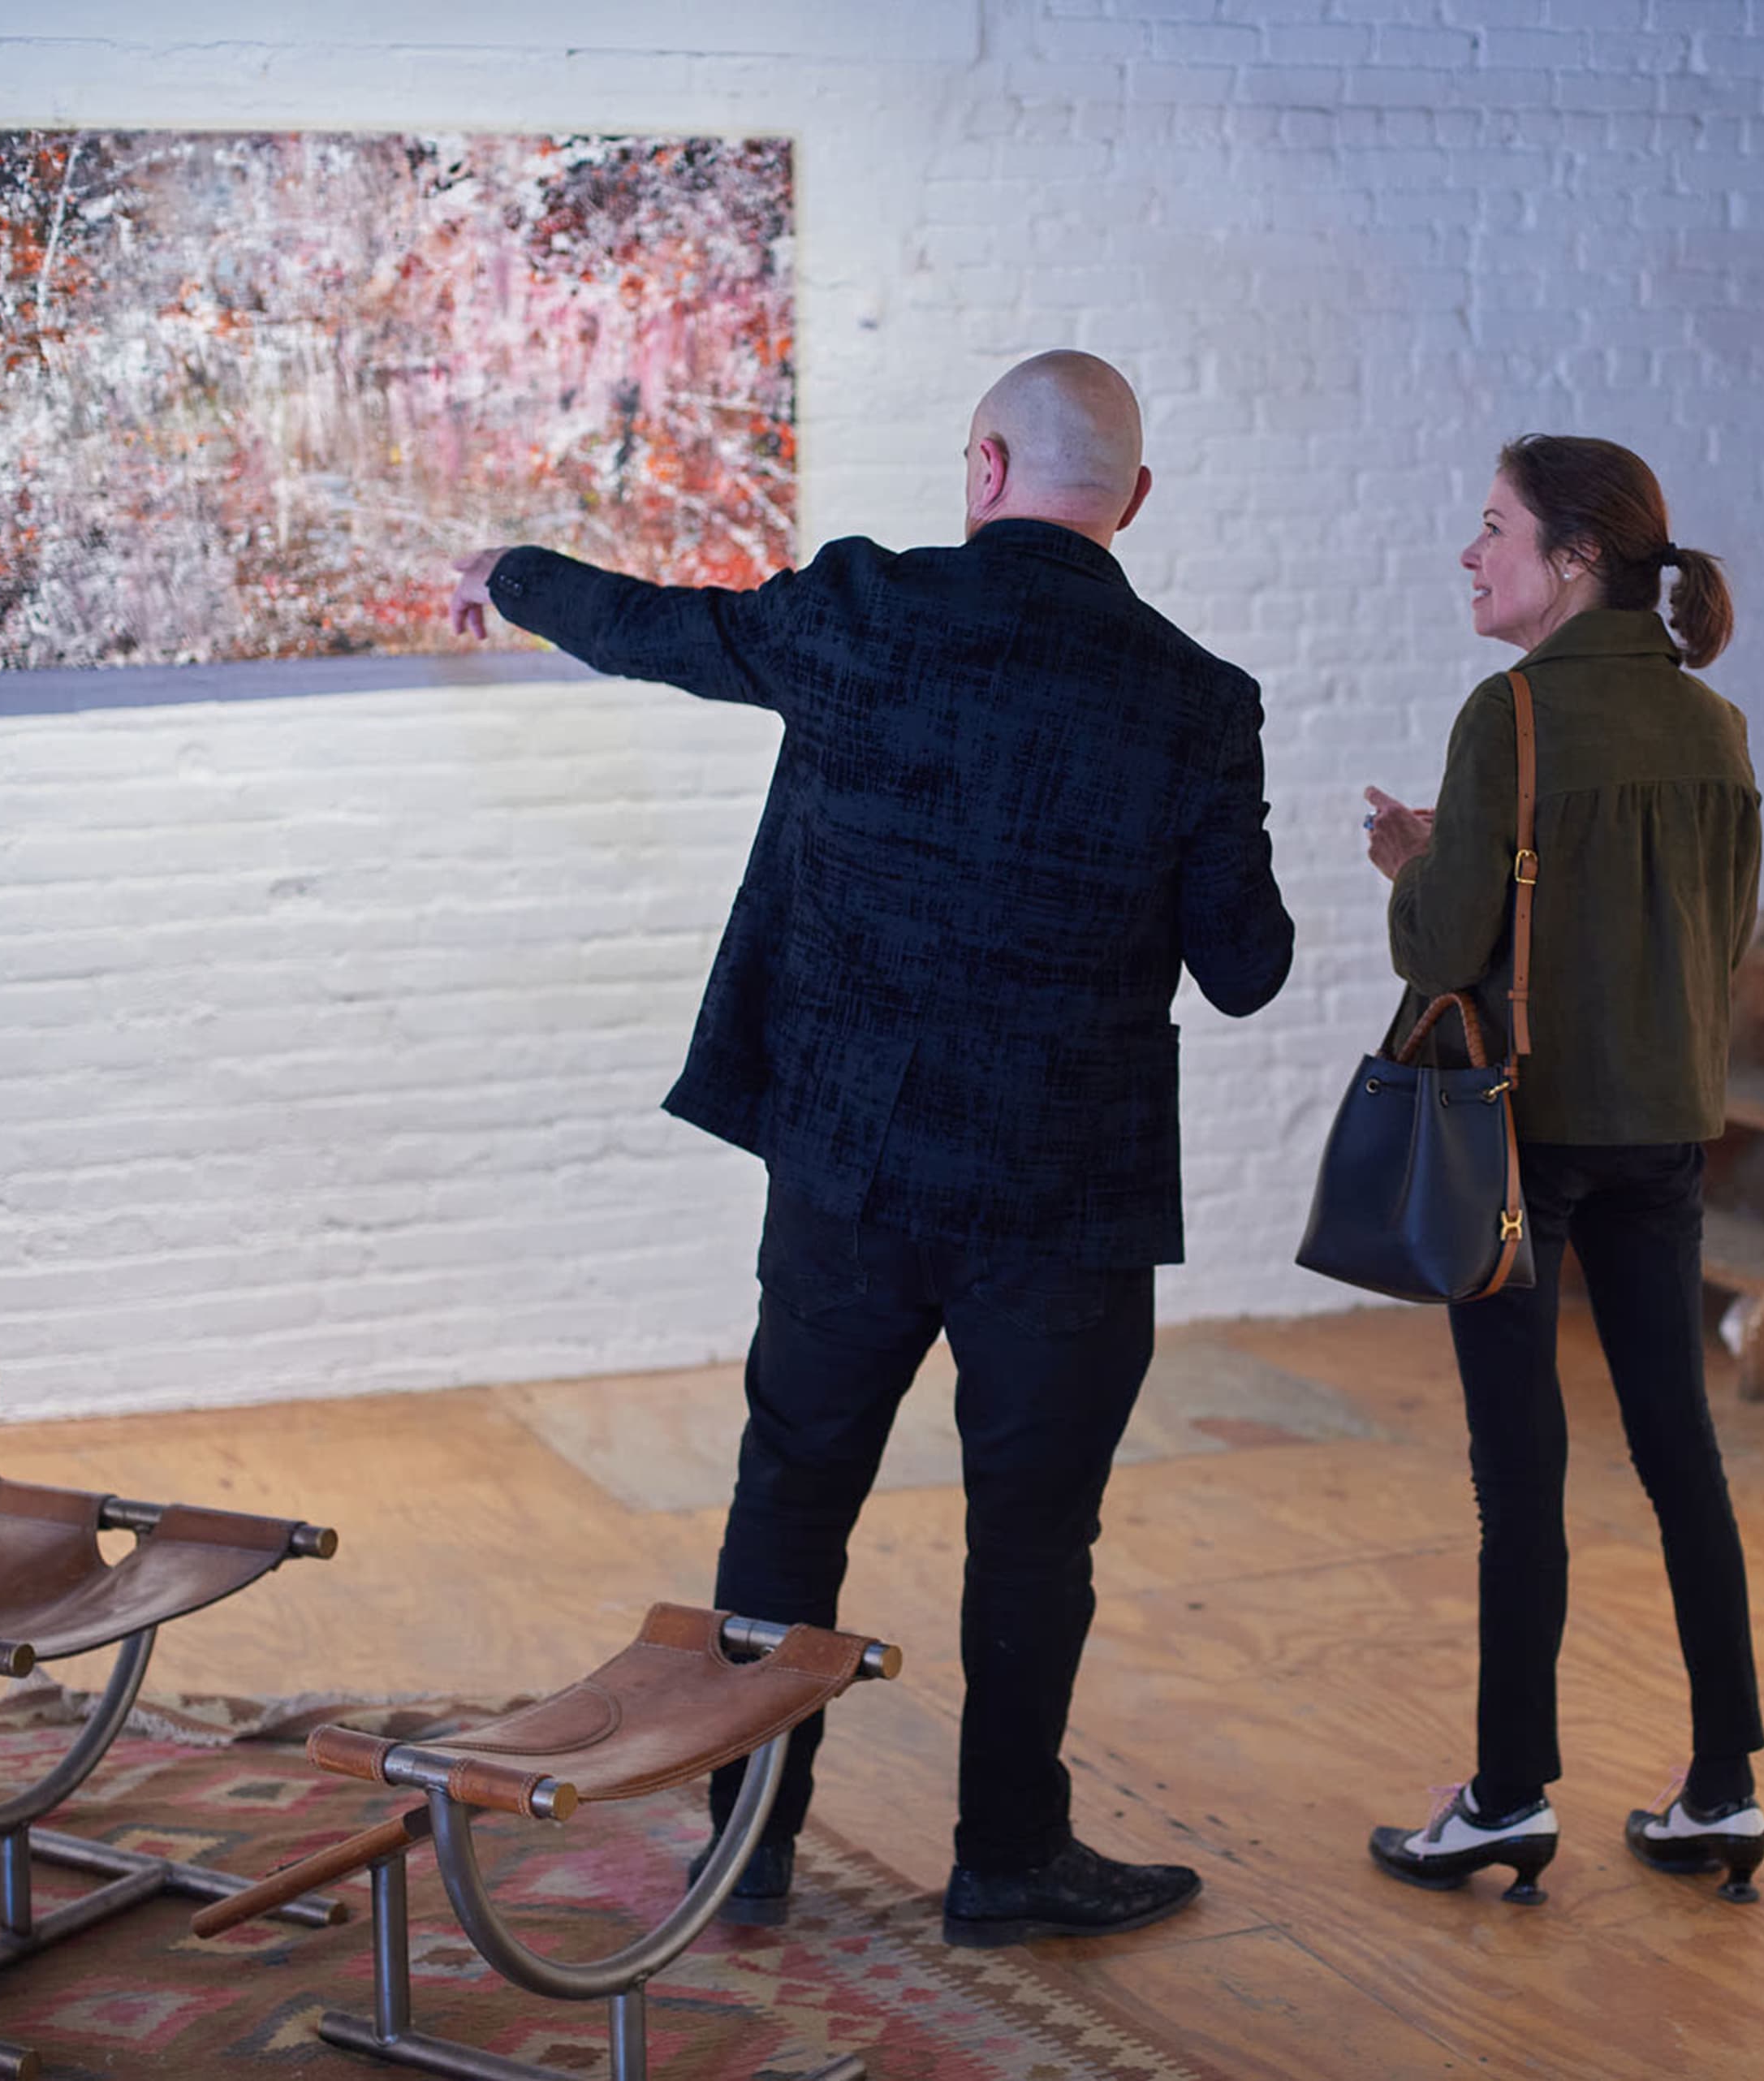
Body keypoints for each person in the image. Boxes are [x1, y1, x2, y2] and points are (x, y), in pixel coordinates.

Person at [449, 350, 1294, 1947]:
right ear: (1136, 499)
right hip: (1066, 1196)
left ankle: (750, 1847)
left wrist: (508, 575)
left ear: (983, 466)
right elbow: (1244, 968)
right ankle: (1008, 1861)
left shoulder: (858, 611)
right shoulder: (1198, 701)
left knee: (794, 1491)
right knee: (1039, 1531)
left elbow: (659, 629)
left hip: (853, 1158)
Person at [1357, 434, 1764, 1907]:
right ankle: (1723, 1789)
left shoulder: (1510, 718)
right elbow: (1719, 947)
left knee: (1518, 1477)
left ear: (1576, 557)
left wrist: (1412, 862)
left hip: (1521, 1141)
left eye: (1491, 529)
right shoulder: (1713, 727)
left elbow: (1439, 947)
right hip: (1666, 1133)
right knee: (1683, 1463)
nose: (1471, 555)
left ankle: (1507, 1797)